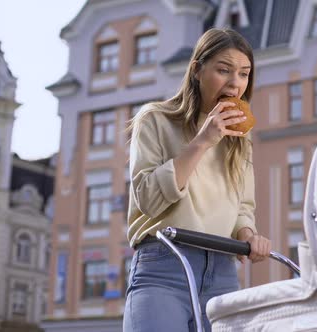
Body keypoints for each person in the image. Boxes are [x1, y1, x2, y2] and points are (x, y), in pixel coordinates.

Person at [123, 28, 271, 332]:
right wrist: (203, 141)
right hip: (164, 265)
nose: (235, 83)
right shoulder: (154, 120)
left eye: (244, 74)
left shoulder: (240, 137)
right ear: (197, 71)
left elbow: (242, 205)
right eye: (223, 70)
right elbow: (148, 199)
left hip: (223, 270)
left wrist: (248, 234)